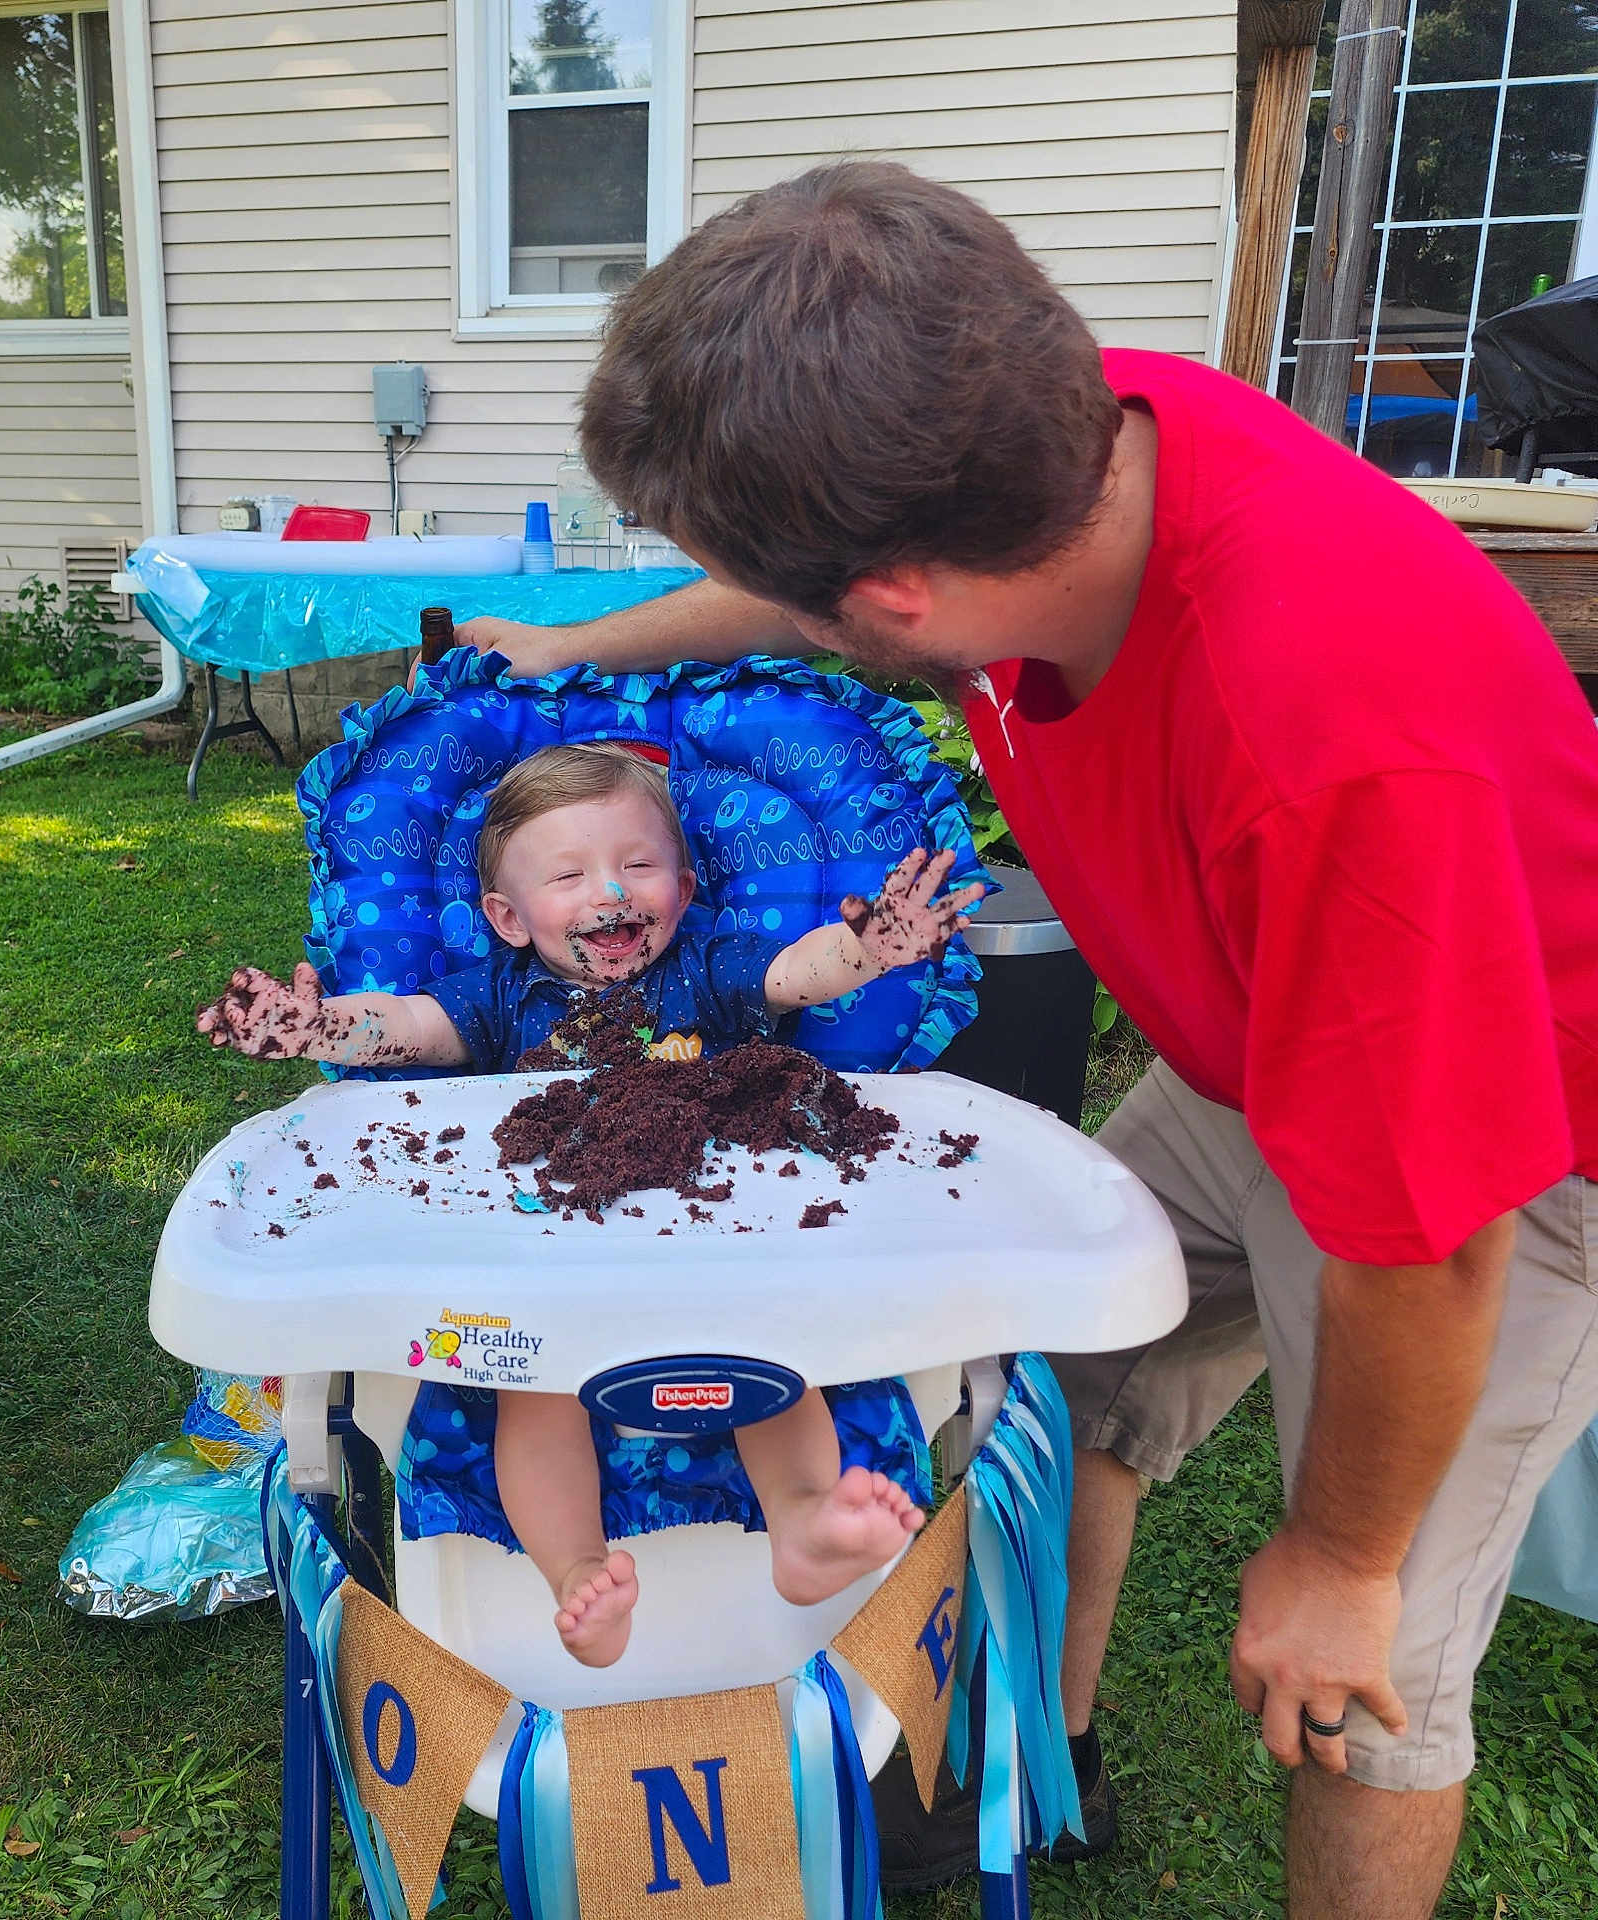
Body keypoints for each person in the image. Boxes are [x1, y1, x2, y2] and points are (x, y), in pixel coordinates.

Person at [446, 163, 1598, 1919]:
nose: (772, 610)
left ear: (894, 598)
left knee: (1369, 1688)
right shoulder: (1038, 435)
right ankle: (1030, 1763)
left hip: (1502, 1151)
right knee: (1045, 1389)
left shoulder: (1334, 744)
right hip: (1251, 1058)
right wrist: (572, 652)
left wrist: (1341, 1553)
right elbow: (786, 586)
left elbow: (1429, 1243)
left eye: (801, 597)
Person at [198, 740, 983, 1665]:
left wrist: (866, 948)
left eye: (639, 866)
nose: (610, 893)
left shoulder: (706, 969)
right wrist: (324, 1027)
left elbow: (794, 974)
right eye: (568, 876)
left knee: (773, 1359)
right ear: (508, 916)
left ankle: (805, 1523)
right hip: (549, 1272)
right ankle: (576, 1573)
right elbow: (407, 1027)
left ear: (683, 891)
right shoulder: (499, 996)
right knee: (533, 1396)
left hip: (713, 1246)